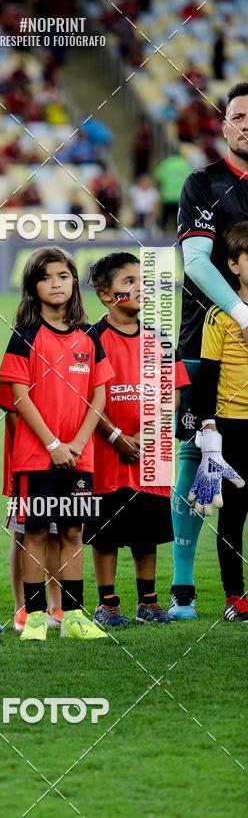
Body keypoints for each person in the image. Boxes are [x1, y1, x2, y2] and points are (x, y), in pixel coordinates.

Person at [0, 247, 112, 642]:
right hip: (36, 457)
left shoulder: (89, 336)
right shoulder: (25, 336)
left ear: (74, 283)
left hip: (79, 457)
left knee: (72, 533)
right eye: (46, 277)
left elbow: (99, 394)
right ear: (33, 287)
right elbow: (19, 395)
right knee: (35, 534)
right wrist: (52, 444)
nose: (56, 284)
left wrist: (78, 443)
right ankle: (32, 618)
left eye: (63, 276)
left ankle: (75, 616)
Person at [172, 82, 248, 619]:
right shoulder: (205, 185)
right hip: (206, 339)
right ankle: (182, 590)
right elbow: (197, 263)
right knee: (197, 456)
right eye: (240, 116)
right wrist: (243, 313)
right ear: (224, 126)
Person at [84, 253, 190, 627]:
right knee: (106, 533)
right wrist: (115, 435)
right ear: (106, 295)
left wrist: (145, 434)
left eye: (142, 280)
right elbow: (83, 396)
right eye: (128, 281)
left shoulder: (158, 339)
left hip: (150, 453)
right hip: (105, 454)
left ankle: (149, 601)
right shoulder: (90, 339)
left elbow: (173, 393)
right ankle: (107, 604)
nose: (139, 288)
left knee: (148, 531)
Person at [190, 222, 248, 621]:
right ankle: (235, 598)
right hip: (233, 426)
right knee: (234, 513)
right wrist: (208, 427)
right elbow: (206, 376)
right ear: (232, 264)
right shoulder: (219, 317)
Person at [0, 381, 62, 632]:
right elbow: (11, 408)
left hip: (64, 456)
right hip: (29, 461)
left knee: (59, 530)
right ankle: (22, 607)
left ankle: (57, 605)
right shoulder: (25, 347)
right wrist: (21, 451)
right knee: (24, 531)